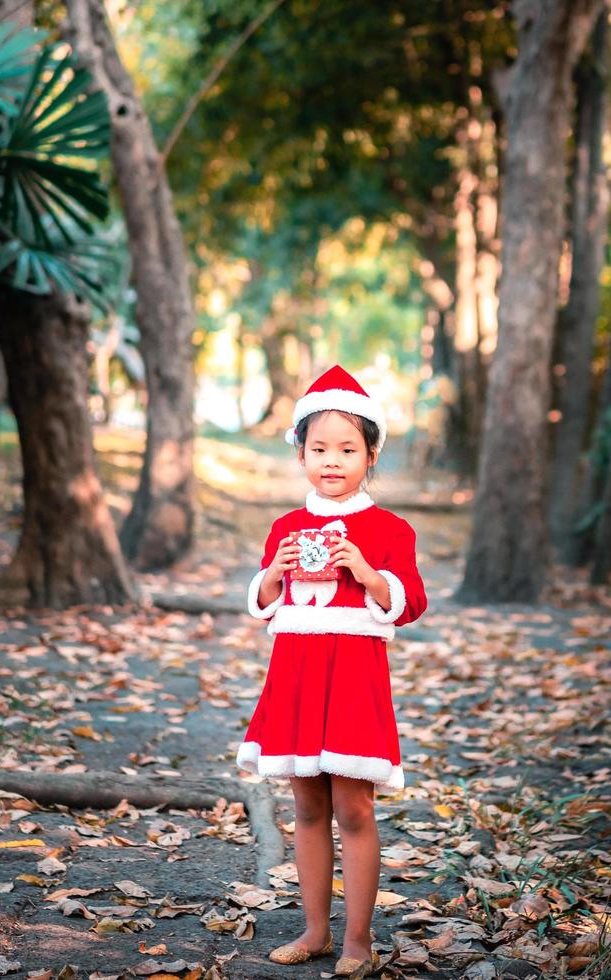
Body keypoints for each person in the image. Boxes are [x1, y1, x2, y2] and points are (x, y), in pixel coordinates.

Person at [236, 364, 428, 978]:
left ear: (371, 455)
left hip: (352, 682)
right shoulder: (286, 527)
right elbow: (265, 598)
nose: (332, 461)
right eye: (319, 448)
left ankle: (358, 941)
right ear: (299, 453)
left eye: (348, 448)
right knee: (308, 809)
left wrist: (368, 571)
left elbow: (411, 601)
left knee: (355, 809)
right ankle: (315, 930)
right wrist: (273, 572)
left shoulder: (390, 528)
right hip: (296, 678)